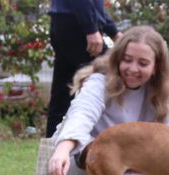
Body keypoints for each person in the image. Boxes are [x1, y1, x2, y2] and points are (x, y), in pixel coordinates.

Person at [48, 25, 169, 175]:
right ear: (117, 59)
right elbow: (82, 114)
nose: (133, 69)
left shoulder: (162, 95)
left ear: (156, 67)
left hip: (127, 165)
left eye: (143, 63)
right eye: (127, 60)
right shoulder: (100, 82)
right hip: (80, 162)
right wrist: (63, 149)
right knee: (96, 152)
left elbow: (168, 141)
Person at [46, 0, 121, 137]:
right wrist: (90, 28)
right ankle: (111, 142)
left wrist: (114, 32)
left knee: (62, 94)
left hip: (66, 22)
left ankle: (51, 152)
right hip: (77, 26)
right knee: (114, 77)